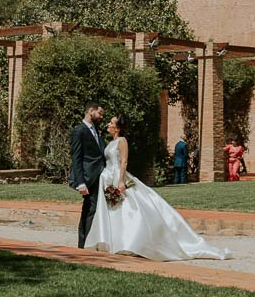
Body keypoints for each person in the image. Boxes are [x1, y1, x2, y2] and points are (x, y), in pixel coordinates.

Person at [85, 115, 228, 261]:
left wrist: (121, 181)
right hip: (108, 177)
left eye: (111, 122)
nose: (108, 124)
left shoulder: (122, 141)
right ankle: (113, 241)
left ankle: (131, 242)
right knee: (113, 210)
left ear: (118, 127)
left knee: (127, 209)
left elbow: (124, 162)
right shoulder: (111, 142)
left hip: (117, 176)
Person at [69, 102, 106, 249]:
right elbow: (76, 158)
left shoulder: (96, 130)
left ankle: (90, 243)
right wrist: (80, 182)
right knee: (89, 210)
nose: (101, 117)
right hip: (88, 179)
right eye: (100, 113)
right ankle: (82, 245)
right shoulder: (79, 131)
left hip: (100, 177)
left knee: (95, 210)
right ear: (91, 111)